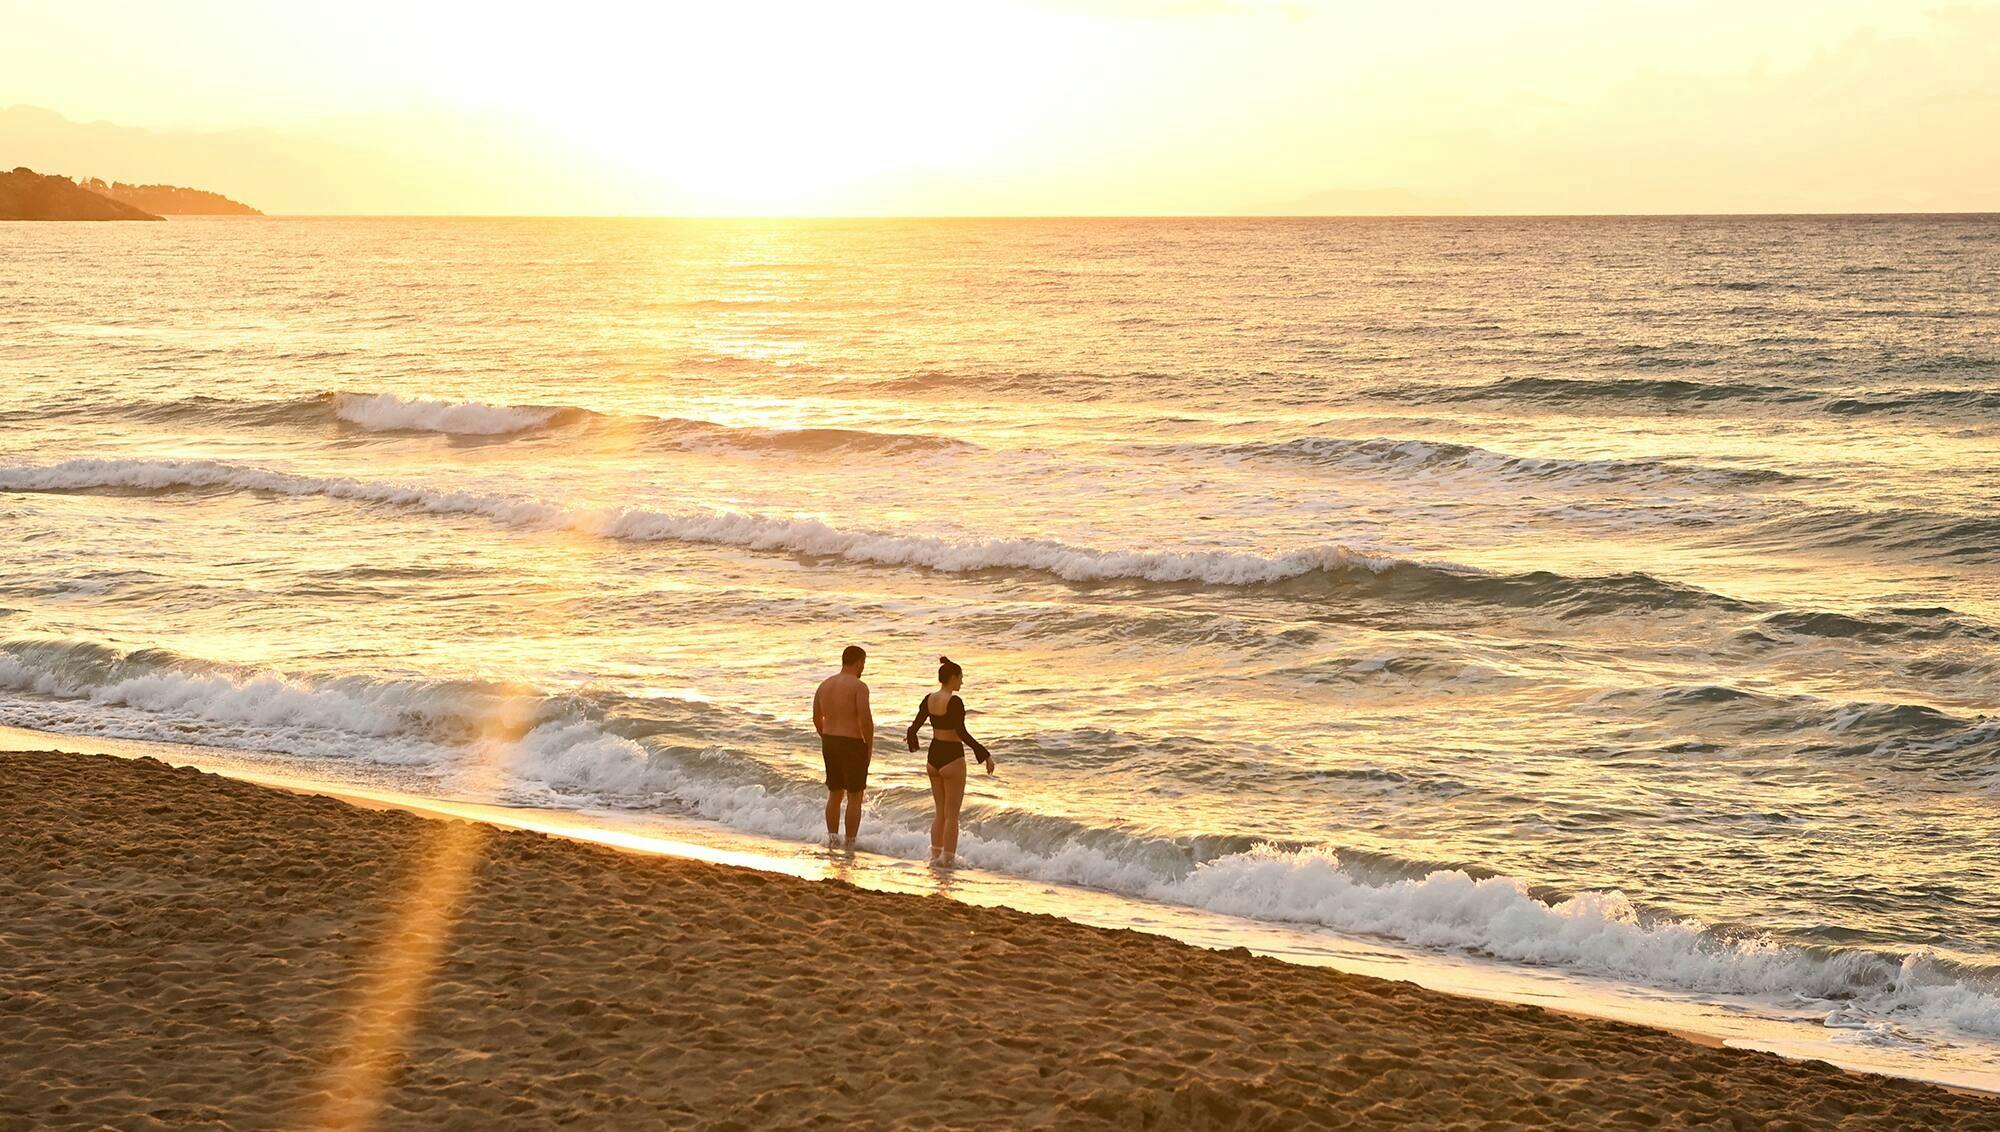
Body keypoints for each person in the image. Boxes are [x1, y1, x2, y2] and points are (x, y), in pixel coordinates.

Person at [905, 655, 993, 867]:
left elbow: (914, 727)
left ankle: (935, 858)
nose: (962, 682)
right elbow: (961, 732)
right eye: (960, 678)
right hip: (952, 757)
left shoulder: (929, 699)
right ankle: (948, 862)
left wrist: (912, 741)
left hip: (933, 757)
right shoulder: (954, 701)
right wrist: (984, 754)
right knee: (952, 815)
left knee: (940, 813)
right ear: (952, 677)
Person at [813, 645, 874, 847]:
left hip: (830, 741)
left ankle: (832, 838)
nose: (863, 666)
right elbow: (865, 720)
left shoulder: (824, 685)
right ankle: (849, 842)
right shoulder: (859, 686)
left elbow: (816, 717)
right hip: (852, 743)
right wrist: (868, 746)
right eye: (863, 663)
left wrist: (825, 735)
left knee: (835, 793)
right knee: (855, 796)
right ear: (858, 662)